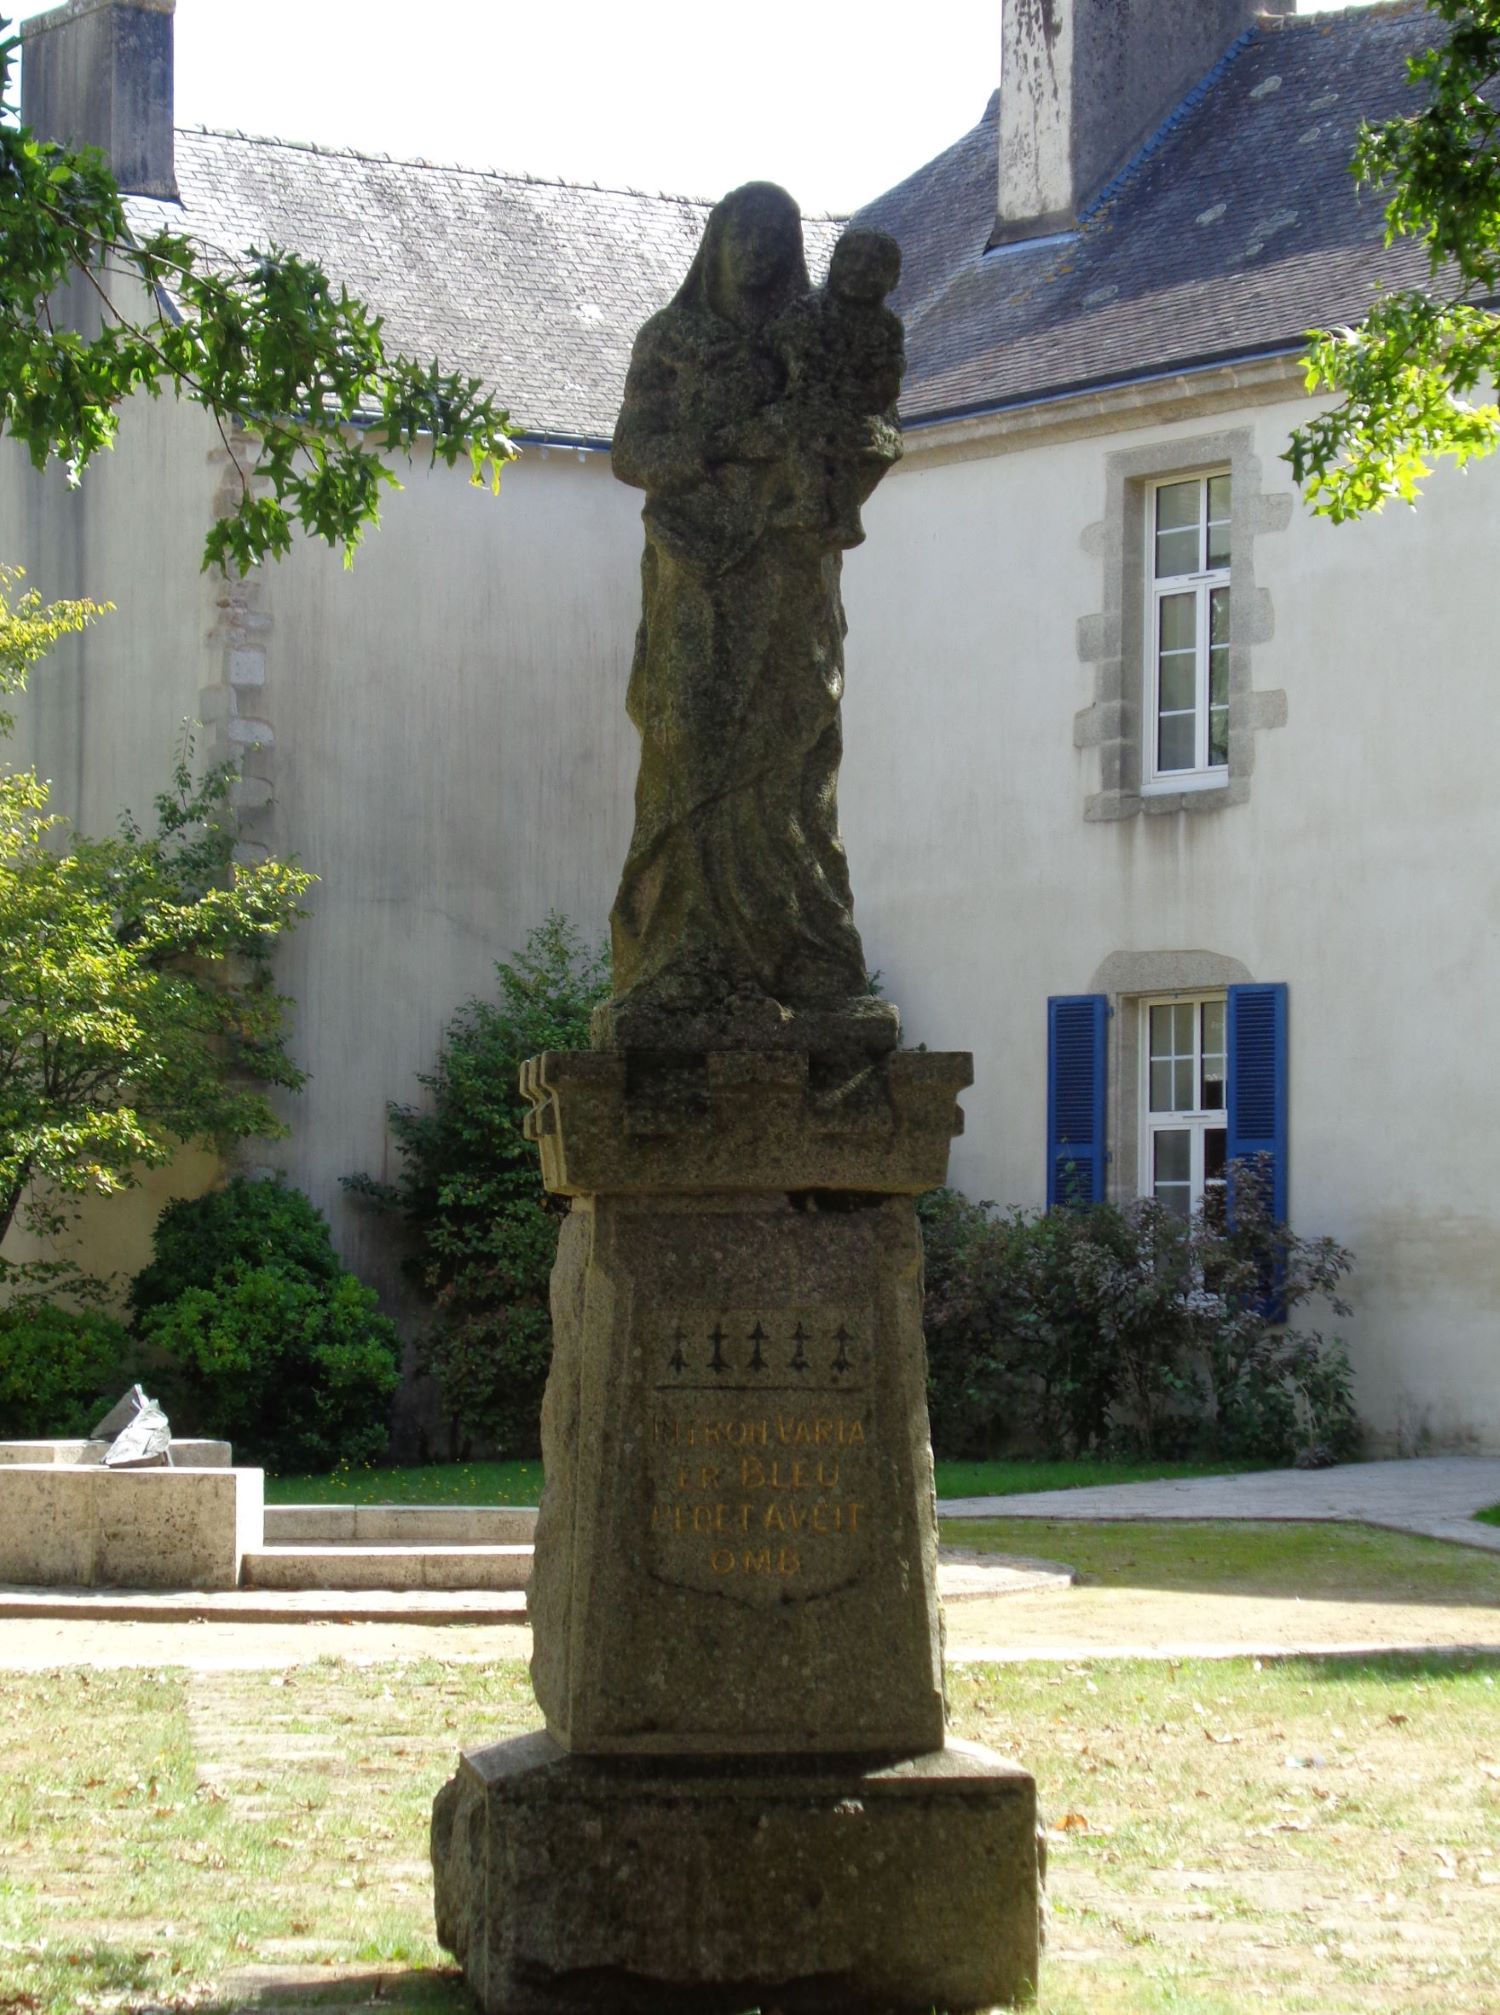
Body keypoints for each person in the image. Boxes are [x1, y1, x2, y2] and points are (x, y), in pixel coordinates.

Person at [602, 184, 903, 1047]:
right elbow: (632, 451)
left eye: (776, 235)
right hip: (694, 570)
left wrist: (836, 446)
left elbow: (873, 423)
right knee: (686, 742)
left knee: (791, 754)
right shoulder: (668, 339)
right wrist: (730, 445)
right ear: (716, 241)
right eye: (744, 232)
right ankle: (677, 956)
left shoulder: (810, 334)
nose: (759, 250)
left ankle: (803, 953)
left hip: (787, 570)